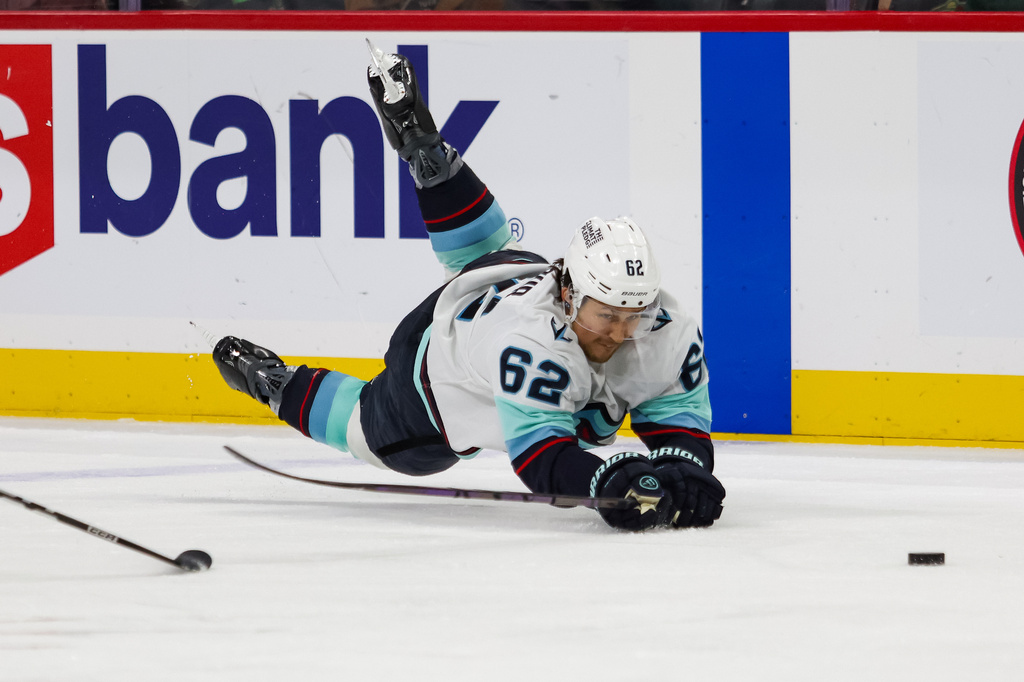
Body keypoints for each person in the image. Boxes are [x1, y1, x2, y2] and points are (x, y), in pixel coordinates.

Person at [213, 43, 725, 531]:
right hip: (436, 370)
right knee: (373, 434)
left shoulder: (668, 330)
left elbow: (676, 418)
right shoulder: (532, 345)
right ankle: (278, 386)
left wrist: (684, 470)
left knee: (485, 250)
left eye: (630, 316)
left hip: (505, 272)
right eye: (604, 315)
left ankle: (428, 156)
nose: (617, 332)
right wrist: (606, 480)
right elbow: (541, 455)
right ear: (568, 294)